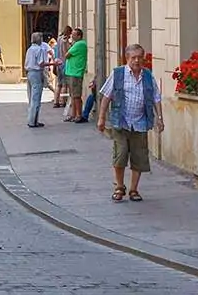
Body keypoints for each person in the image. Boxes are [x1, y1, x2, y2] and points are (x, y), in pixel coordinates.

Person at [98, 44, 164, 201]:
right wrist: (101, 118)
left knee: (139, 156)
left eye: (140, 57)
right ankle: (119, 186)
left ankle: (134, 189)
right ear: (127, 58)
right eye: (133, 57)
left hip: (140, 122)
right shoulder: (118, 74)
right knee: (120, 155)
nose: (137, 60)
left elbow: (156, 97)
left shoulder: (148, 75)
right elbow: (106, 96)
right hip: (121, 122)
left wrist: (159, 118)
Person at [23, 32, 52, 126]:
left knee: (31, 97)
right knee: (36, 98)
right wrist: (54, 64)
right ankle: (33, 121)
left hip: (29, 73)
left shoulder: (30, 49)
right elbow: (41, 63)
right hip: (36, 73)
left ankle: (32, 120)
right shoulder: (39, 49)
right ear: (39, 39)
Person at [63, 30, 89, 122]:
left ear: (79, 36)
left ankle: (78, 115)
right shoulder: (77, 44)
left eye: (74, 35)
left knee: (76, 95)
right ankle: (74, 114)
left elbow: (66, 55)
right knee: (73, 95)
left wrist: (65, 44)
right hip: (72, 72)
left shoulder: (79, 44)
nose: (72, 36)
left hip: (75, 73)